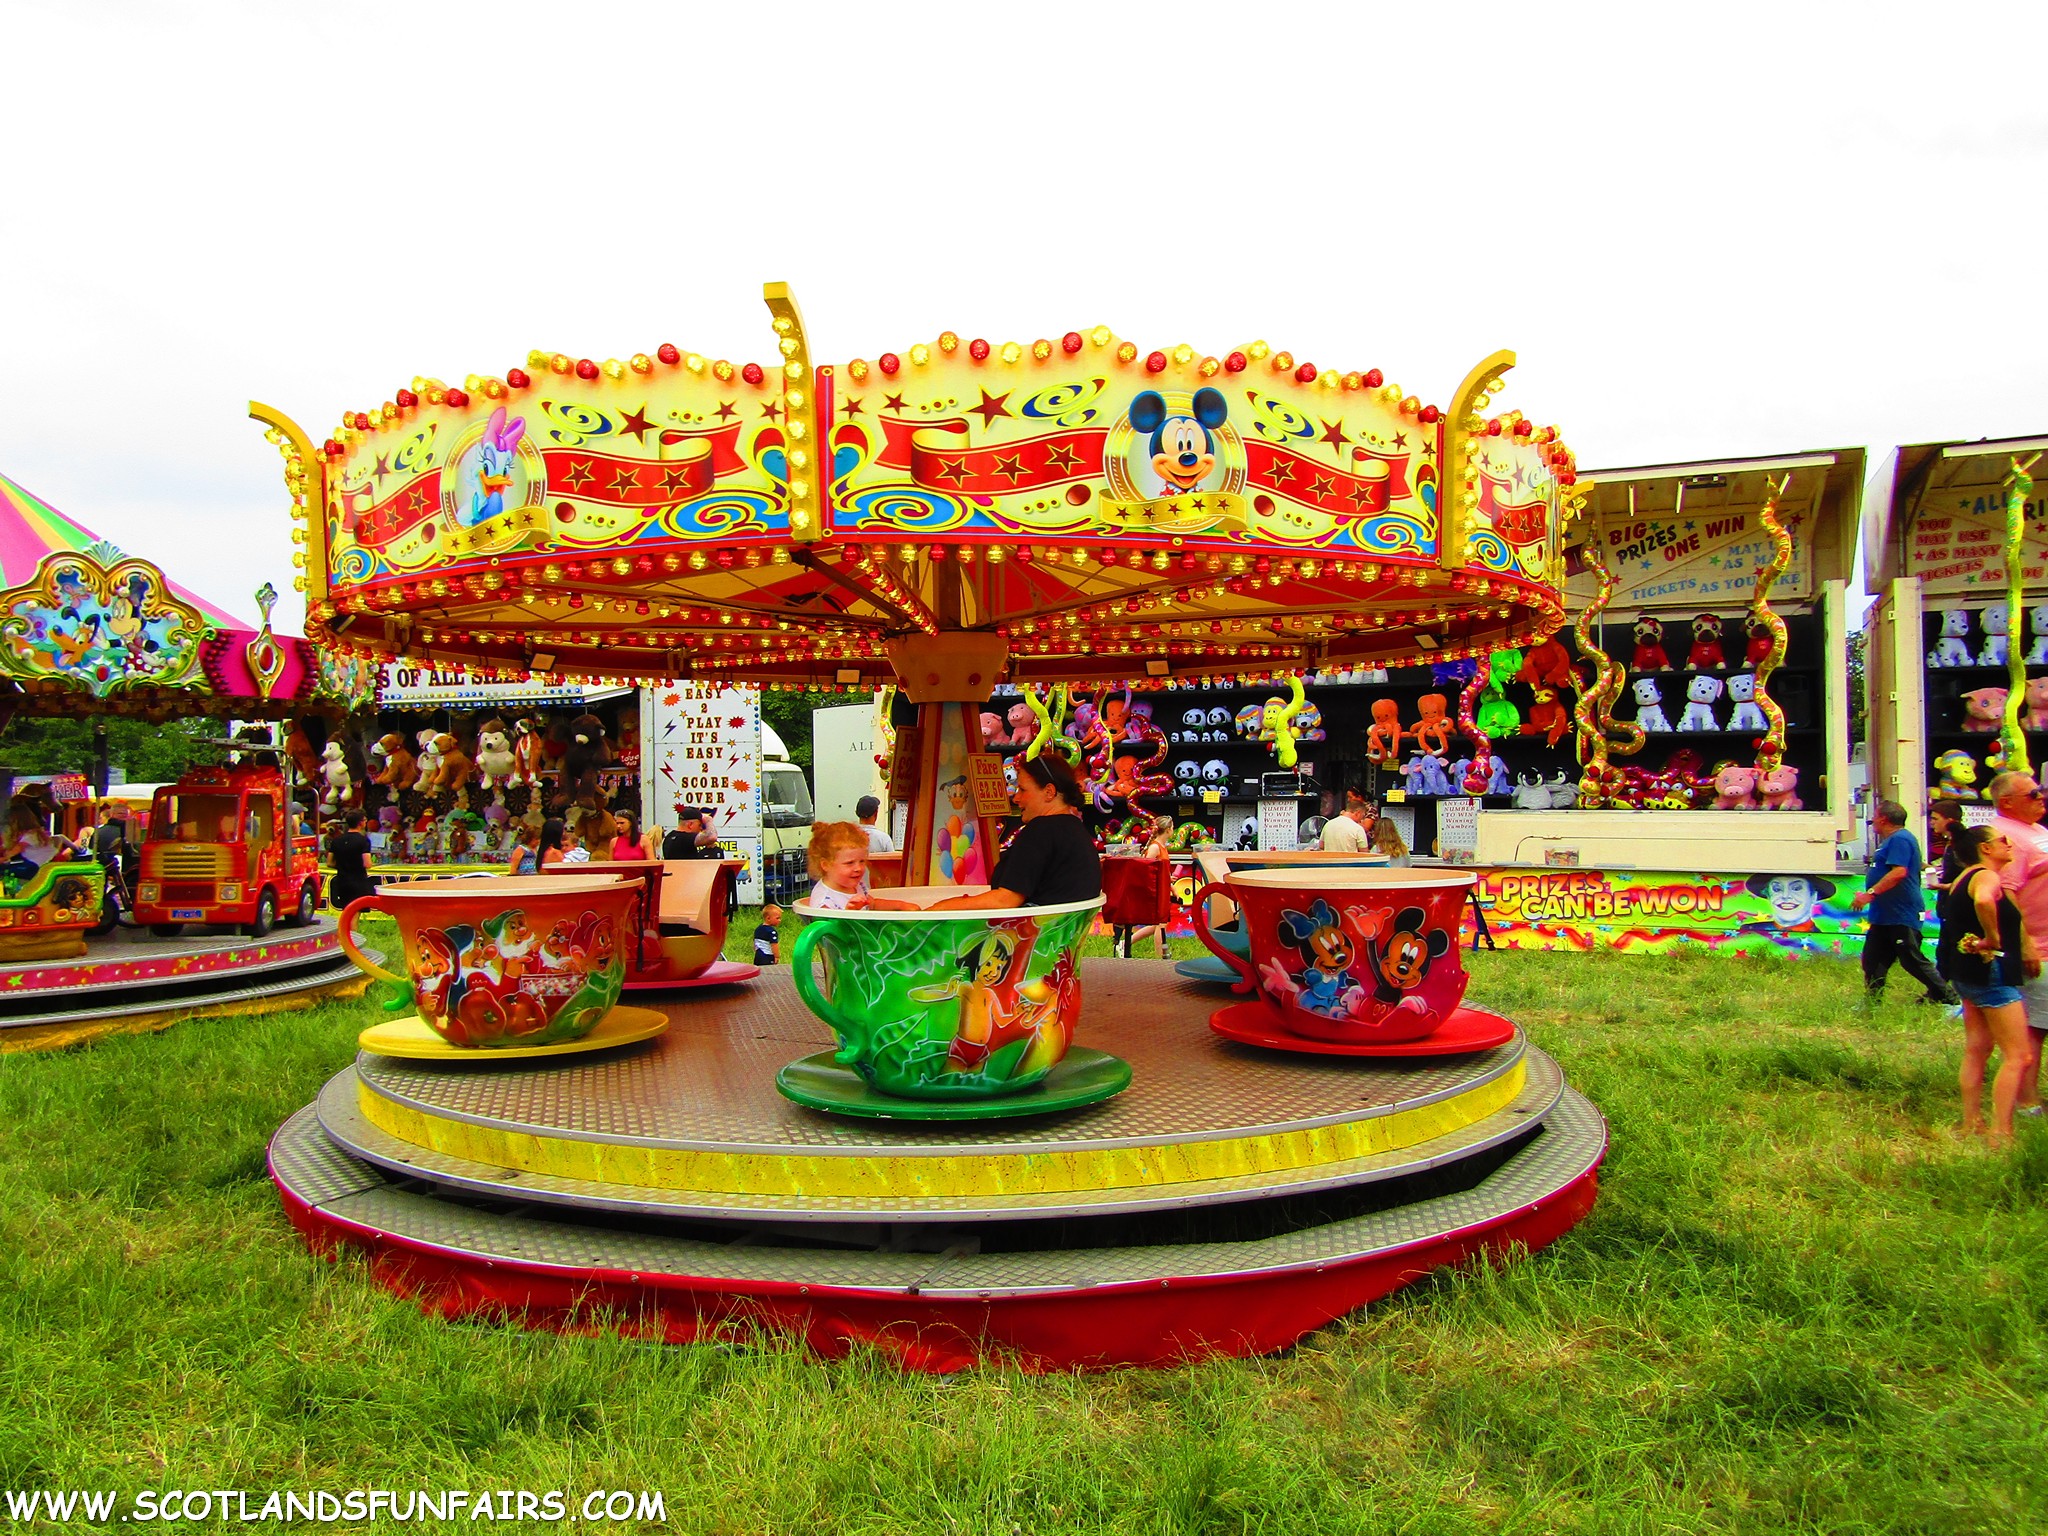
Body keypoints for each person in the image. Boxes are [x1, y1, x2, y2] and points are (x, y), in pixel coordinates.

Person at [1937, 824, 2042, 1143]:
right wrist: (1993, 939)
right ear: (1985, 848)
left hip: (1967, 974)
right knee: (2019, 1056)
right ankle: (2001, 1131)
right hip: (1991, 974)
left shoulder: (1962, 878)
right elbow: (1984, 902)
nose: (2009, 845)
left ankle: (1972, 1122)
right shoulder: (1987, 877)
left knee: (1977, 1049)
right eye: (2002, 841)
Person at [930, 754, 1102, 912]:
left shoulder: (1041, 831)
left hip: (1032, 934)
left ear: (1049, 792)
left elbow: (1005, 900)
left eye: (1022, 790)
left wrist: (939, 908)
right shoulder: (1075, 830)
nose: (1016, 798)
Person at [1852, 799, 1958, 1006]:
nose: (1872, 820)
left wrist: (1870, 894)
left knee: (1911, 959)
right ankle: (1872, 1003)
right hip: (1884, 915)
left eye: (1875, 816)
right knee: (1873, 960)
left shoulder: (1900, 839)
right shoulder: (1892, 841)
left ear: (1883, 819)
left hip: (1900, 913)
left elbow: (1899, 872)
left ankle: (1948, 998)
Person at [1985, 771, 2048, 1112]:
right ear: (2007, 802)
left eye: (2040, 791)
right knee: (2035, 1026)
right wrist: (2025, 945)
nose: (2041, 798)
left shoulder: (2035, 830)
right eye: (2033, 794)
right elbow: (2006, 895)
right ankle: (2027, 1100)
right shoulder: (2005, 837)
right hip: (2038, 948)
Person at [805, 821, 912, 911]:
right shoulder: (824, 901)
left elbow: (872, 904)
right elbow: (829, 927)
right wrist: (850, 912)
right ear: (826, 865)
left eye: (862, 861)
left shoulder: (856, 886)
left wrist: (900, 905)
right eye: (849, 863)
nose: (858, 868)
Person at [1117, 814, 1175, 959]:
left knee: (1157, 925)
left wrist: (1172, 887)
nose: (1173, 830)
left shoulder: (1162, 847)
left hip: (1162, 889)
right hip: (1155, 891)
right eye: (1172, 828)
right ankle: (1160, 957)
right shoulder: (1155, 847)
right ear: (1167, 830)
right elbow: (1146, 869)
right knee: (1161, 924)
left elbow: (1163, 871)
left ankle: (1124, 944)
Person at [327, 810, 377, 908]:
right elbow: (367, 864)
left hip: (342, 880)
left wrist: (342, 866)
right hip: (358, 881)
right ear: (360, 823)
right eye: (365, 820)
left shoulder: (336, 840)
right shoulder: (363, 841)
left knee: (346, 910)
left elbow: (329, 862)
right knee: (355, 910)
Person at [1928, 799, 1967, 893]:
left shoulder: (1962, 845)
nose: (1931, 822)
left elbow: (1967, 878)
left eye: (1935, 819)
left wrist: (1944, 886)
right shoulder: (1950, 842)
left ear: (1949, 821)